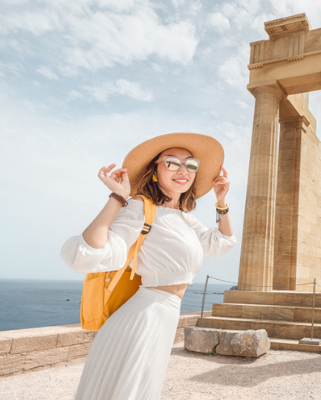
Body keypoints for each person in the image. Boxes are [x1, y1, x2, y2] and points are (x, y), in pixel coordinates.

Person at [60, 132, 236, 400]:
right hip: (143, 318)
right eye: (171, 162)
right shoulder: (140, 208)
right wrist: (118, 198)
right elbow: (87, 253)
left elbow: (220, 242)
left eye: (190, 164)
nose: (183, 170)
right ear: (154, 169)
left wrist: (221, 203)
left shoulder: (185, 220)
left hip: (162, 317)